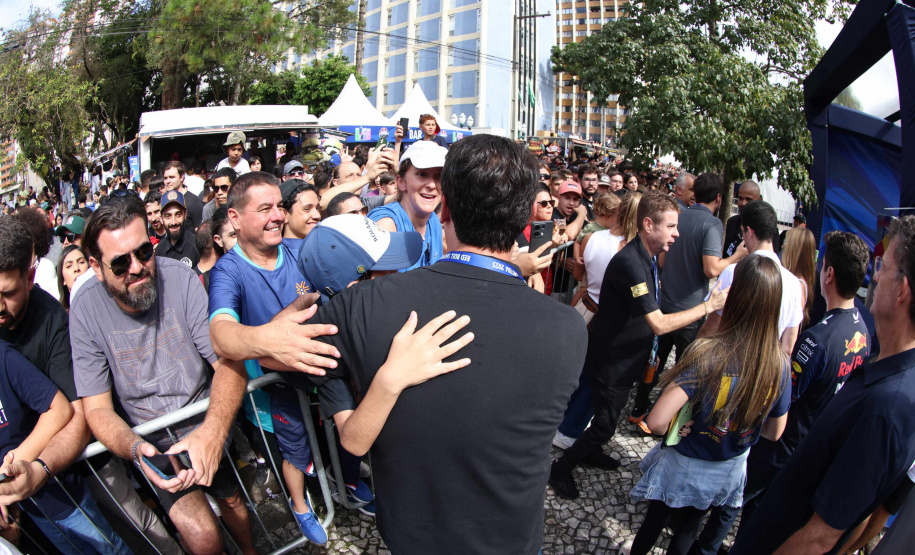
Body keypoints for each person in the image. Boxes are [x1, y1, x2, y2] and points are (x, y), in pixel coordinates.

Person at [289, 134, 586, 554]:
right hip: (512, 539)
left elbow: (276, 351)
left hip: (411, 535)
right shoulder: (568, 328)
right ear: (523, 218)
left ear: (445, 208)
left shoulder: (361, 305)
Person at [70, 195, 257, 555]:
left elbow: (228, 362)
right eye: (120, 263)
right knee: (203, 538)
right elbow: (96, 409)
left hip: (204, 421)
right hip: (152, 443)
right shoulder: (84, 310)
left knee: (233, 501)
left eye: (144, 252)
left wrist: (213, 432)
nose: (137, 268)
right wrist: (136, 449)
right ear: (96, 266)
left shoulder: (179, 278)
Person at [731, 216, 915, 555]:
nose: (876, 276)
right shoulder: (863, 331)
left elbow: (823, 535)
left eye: (883, 267)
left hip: (781, 470)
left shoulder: (884, 404)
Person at [693, 230, 871, 554]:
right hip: (808, 440)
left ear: (829, 274)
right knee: (756, 509)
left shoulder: (816, 340)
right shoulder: (862, 328)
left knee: (736, 503)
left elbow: (783, 394)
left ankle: (708, 547)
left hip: (780, 445)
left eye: (822, 265)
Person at [549, 192, 729, 501]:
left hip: (627, 359)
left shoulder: (647, 257)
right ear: (648, 225)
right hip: (612, 362)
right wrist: (707, 307)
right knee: (605, 426)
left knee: (607, 417)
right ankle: (561, 467)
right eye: (671, 226)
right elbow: (658, 323)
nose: (677, 233)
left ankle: (589, 449)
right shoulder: (631, 262)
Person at [628, 255, 791, 555]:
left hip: (688, 460)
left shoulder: (709, 352)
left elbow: (657, 421)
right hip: (729, 466)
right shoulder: (780, 364)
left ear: (736, 296)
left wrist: (680, 424)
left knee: (656, 520)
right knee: (689, 528)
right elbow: (774, 432)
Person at [207, 172, 334, 544]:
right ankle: (300, 506)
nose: (278, 216)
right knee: (294, 452)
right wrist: (272, 339)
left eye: (279, 206)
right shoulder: (227, 271)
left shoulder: (299, 249)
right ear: (234, 217)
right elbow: (221, 335)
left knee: (330, 439)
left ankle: (341, 488)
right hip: (272, 394)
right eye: (265, 209)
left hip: (320, 376)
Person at [0, 218, 138, 555]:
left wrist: (37, 469)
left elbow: (77, 414)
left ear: (30, 278)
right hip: (23, 494)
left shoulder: (55, 323)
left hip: (76, 470)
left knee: (129, 532)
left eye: (7, 293)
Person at [630, 173, 747, 429]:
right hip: (690, 311)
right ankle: (665, 420)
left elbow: (662, 261)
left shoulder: (679, 216)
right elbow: (711, 269)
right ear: (719, 198)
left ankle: (638, 409)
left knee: (655, 361)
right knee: (684, 371)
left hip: (665, 305)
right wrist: (736, 256)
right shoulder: (712, 224)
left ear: (695, 193)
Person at [701, 201, 803, 356]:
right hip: (766, 366)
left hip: (730, 362)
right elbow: (788, 348)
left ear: (749, 231)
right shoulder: (794, 284)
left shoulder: (733, 272)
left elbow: (709, 331)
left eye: (742, 232)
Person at [368, 141, 447, 271]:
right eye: (422, 174)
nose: (432, 185)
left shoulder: (434, 221)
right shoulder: (387, 225)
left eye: (439, 176)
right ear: (401, 182)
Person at [154, 190, 199, 271]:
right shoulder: (159, 250)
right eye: (168, 216)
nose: (173, 222)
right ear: (161, 219)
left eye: (178, 215)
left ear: (185, 215)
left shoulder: (197, 246)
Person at [781, 226, 817, 327]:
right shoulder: (797, 280)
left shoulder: (798, 285)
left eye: (786, 243)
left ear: (794, 250)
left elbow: (790, 328)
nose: (782, 246)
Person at [723, 180, 762, 257]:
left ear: (759, 201)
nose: (743, 203)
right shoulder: (732, 222)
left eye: (748, 199)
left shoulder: (766, 228)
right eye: (740, 198)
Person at [162, 161, 204, 230]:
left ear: (181, 177)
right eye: (165, 178)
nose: (168, 181)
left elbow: (199, 231)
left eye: (171, 177)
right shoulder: (164, 200)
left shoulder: (193, 201)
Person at [56, 245, 88, 311]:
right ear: (63, 279)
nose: (76, 268)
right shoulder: (61, 314)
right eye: (69, 266)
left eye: (81, 262)